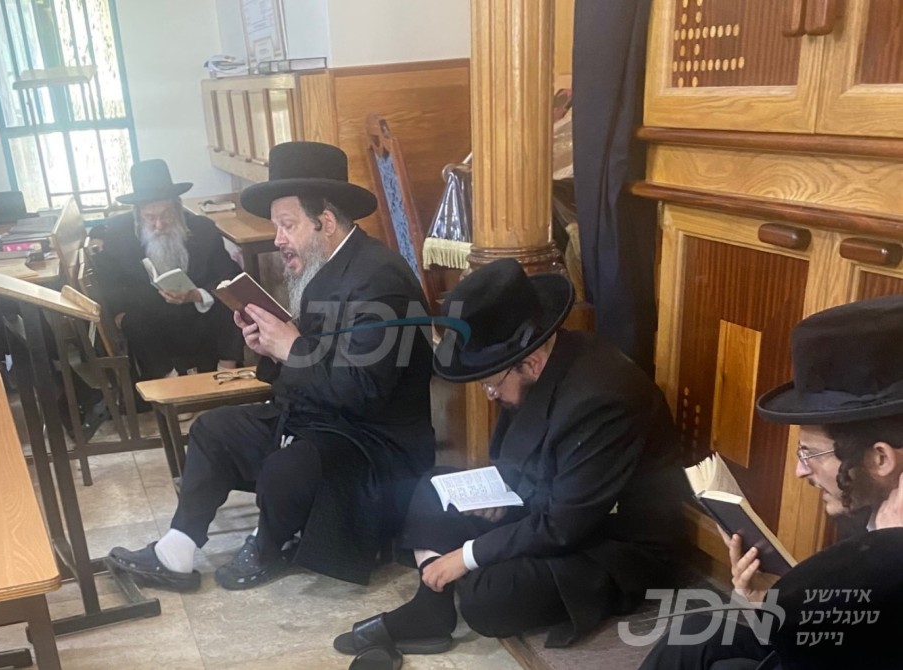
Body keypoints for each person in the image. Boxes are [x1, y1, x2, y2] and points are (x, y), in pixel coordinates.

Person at [106, 141, 436, 591]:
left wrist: (292, 348)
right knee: (214, 431)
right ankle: (176, 551)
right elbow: (310, 368)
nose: (278, 239)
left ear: (325, 223)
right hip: (322, 418)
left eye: (287, 225)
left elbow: (363, 393)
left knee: (287, 469)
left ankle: (271, 545)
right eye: (277, 226)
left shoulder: (380, 280)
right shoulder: (324, 267)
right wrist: (268, 346)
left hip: (375, 443)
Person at [334, 259, 689, 669]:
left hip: (615, 543)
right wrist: (505, 496)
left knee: (488, 599)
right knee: (433, 488)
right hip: (554, 509)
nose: (489, 394)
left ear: (530, 362)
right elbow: (521, 459)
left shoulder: (602, 401)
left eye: (491, 383)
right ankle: (431, 605)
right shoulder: (544, 365)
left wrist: (467, 555)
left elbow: (564, 525)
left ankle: (447, 588)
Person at [639, 295, 903, 670]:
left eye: (809, 453)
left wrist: (887, 551)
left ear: (880, 459)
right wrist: (775, 595)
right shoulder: (878, 495)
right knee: (692, 635)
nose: (800, 471)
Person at [90, 159, 243, 378]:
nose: (159, 225)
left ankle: (228, 375)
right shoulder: (119, 234)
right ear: (137, 215)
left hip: (199, 316)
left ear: (177, 208)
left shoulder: (203, 230)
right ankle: (170, 384)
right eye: (150, 217)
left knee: (232, 301)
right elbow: (107, 280)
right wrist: (118, 313)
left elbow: (230, 276)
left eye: (166, 215)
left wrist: (197, 295)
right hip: (153, 321)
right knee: (134, 322)